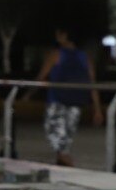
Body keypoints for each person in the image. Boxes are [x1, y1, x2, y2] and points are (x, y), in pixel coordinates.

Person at [28, 28, 103, 167]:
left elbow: (40, 77)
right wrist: (97, 109)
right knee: (65, 141)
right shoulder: (85, 57)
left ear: (64, 36)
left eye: (59, 34)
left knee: (58, 140)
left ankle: (70, 167)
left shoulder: (56, 54)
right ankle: (62, 169)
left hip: (57, 102)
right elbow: (92, 84)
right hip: (76, 103)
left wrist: (28, 94)